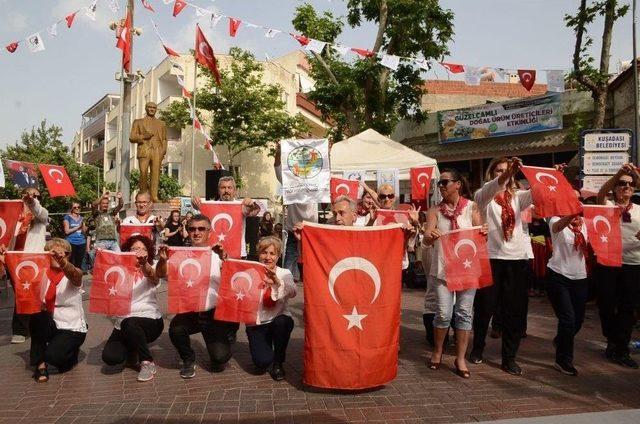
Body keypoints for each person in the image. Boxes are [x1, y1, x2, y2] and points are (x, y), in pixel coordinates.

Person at [470, 157, 532, 376]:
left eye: (506, 171)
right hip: (491, 258)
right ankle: (477, 348)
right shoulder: (483, 195)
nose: (502, 174)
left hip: (517, 260)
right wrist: (506, 175)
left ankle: (509, 358)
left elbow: (539, 193)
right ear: (491, 173)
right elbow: (495, 186)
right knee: (485, 308)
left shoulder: (518, 197)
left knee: (513, 312)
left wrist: (551, 176)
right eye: (498, 170)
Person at [156, 214, 236, 378]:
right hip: (190, 310)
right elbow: (160, 273)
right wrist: (163, 261)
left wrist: (225, 259)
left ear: (209, 232)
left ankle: (228, 332)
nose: (196, 232)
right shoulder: (179, 255)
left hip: (212, 313)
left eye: (201, 229)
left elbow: (233, 281)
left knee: (220, 359)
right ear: (187, 231)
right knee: (176, 329)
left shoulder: (218, 255)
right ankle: (188, 358)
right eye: (192, 229)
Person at [423, 169, 484, 379]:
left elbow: (480, 234)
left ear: (457, 184)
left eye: (445, 182)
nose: (441, 185)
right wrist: (431, 236)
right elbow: (426, 239)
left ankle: (460, 358)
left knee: (464, 313)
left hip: (467, 269)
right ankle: (438, 351)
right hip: (443, 269)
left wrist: (483, 232)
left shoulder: (471, 207)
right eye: (439, 182)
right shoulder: (434, 211)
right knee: (443, 313)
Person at [0, 239, 86, 382]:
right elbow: (19, 275)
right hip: (50, 323)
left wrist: (63, 262)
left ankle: (69, 352)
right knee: (37, 314)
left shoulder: (73, 273)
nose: (58, 256)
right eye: (53, 254)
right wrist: (6, 257)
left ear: (68, 256)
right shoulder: (39, 274)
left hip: (72, 327)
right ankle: (40, 365)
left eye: (63, 254)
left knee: (57, 358)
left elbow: (76, 275)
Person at [101, 235, 163, 382]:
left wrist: (143, 264)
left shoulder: (153, 266)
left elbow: (153, 276)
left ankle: (147, 362)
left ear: (149, 252)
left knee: (131, 323)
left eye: (143, 249)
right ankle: (132, 349)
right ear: (127, 252)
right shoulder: (119, 270)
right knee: (110, 357)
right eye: (135, 249)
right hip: (123, 321)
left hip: (150, 320)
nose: (139, 251)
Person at [596, 163, 640, 368]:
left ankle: (621, 348)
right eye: (622, 184)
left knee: (627, 308)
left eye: (629, 185)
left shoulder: (639, 210)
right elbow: (601, 193)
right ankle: (612, 339)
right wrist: (619, 173)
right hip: (608, 263)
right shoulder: (607, 206)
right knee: (605, 305)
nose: (625, 187)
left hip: (633, 264)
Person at [545, 190, 589, 376]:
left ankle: (561, 339)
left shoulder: (586, 222)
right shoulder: (555, 219)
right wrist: (573, 212)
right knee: (568, 319)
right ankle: (563, 361)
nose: (577, 202)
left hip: (580, 277)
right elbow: (557, 227)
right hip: (558, 275)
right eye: (572, 199)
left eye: (579, 199)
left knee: (577, 321)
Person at [246, 236, 296, 381]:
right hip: (257, 323)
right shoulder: (250, 272)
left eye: (272, 253)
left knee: (283, 322)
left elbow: (293, 292)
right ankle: (265, 345)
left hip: (277, 319)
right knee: (261, 363)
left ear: (278, 256)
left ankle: (278, 362)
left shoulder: (284, 272)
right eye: (264, 252)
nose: (268, 257)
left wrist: (276, 282)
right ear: (258, 254)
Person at [10, 187, 50, 344]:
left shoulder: (42, 216)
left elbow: (38, 210)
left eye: (36, 196)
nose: (34, 198)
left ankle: (32, 328)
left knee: (35, 294)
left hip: (34, 261)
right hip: (15, 261)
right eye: (30, 195)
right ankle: (21, 329)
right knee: (21, 294)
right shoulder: (14, 216)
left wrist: (31, 201)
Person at [274, 145, 318, 281]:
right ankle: (285, 281)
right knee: (292, 254)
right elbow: (277, 166)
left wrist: (326, 151)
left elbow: (324, 170)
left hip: (310, 228)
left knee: (310, 256)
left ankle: (311, 280)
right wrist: (278, 151)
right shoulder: (290, 180)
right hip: (295, 227)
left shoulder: (316, 180)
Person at [192, 176, 260, 258]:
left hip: (237, 254)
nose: (226, 191)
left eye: (229, 188)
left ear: (235, 190)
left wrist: (250, 204)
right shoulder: (210, 205)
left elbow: (253, 210)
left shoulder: (242, 206)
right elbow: (197, 206)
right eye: (223, 188)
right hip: (214, 253)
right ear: (218, 190)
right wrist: (194, 201)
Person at [129, 101, 168, 203]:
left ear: (156, 110)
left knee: (156, 174)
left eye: (154, 108)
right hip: (144, 149)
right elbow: (132, 137)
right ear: (146, 108)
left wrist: (163, 151)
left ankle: (154, 196)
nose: (152, 109)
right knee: (143, 172)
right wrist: (143, 137)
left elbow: (164, 139)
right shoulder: (138, 122)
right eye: (150, 107)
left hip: (157, 150)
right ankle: (143, 195)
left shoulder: (161, 123)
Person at [63, 202, 86, 269]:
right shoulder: (67, 217)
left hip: (81, 242)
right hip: (71, 242)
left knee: (79, 264)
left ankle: (77, 278)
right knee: (70, 263)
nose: (77, 209)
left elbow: (84, 232)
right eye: (75, 207)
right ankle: (69, 278)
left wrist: (85, 228)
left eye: (78, 207)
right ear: (72, 209)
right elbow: (66, 231)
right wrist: (78, 227)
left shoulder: (82, 218)